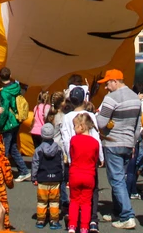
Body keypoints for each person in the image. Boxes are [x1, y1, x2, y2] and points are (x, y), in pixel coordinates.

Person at [96, 68, 142, 229]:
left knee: (116, 180)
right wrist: (134, 143)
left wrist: (95, 115)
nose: (106, 87)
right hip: (129, 143)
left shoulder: (110, 98)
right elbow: (138, 126)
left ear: (115, 81)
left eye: (107, 83)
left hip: (112, 142)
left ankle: (127, 216)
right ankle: (117, 211)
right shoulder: (136, 98)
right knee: (120, 178)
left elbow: (101, 123)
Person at [61, 86, 104, 231]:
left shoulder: (67, 118)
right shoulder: (90, 116)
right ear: (84, 100)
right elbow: (97, 138)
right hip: (89, 163)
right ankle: (90, 223)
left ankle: (72, 225)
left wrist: (70, 156)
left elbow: (66, 139)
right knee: (90, 196)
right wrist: (100, 157)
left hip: (75, 162)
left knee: (74, 199)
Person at [0, 67, 31, 181]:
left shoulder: (5, 92)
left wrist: (0, 125)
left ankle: (3, 174)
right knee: (13, 147)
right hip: (16, 120)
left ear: (0, 77)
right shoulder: (16, 87)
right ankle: (23, 170)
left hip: (8, 122)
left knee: (5, 149)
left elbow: (5, 110)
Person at [70, 113, 102, 233]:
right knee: (86, 203)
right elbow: (95, 160)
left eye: (75, 126)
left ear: (81, 126)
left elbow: (72, 155)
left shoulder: (74, 140)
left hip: (75, 173)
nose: (74, 128)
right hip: (89, 175)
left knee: (74, 201)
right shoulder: (95, 142)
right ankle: (84, 227)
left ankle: (72, 226)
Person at [33, 122, 64, 229]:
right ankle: (54, 221)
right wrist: (62, 176)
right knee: (54, 201)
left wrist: (34, 177)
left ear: (42, 135)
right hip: (55, 178)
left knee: (42, 201)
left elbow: (35, 164)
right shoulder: (58, 149)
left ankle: (40, 220)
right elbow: (61, 164)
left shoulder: (38, 149)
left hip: (42, 179)